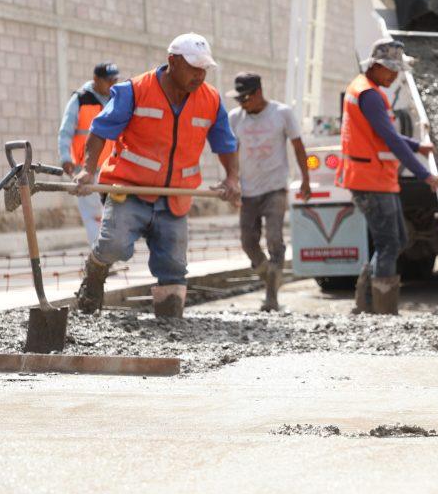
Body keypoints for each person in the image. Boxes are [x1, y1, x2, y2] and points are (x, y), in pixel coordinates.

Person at [72, 33, 240, 318]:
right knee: (112, 246)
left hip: (175, 195)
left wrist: (232, 178)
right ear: (172, 61)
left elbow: (225, 143)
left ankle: (170, 322)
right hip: (130, 189)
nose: (200, 75)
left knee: (173, 265)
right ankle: (94, 277)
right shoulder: (135, 91)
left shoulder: (210, 99)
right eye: (193, 68)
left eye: (204, 69)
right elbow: (101, 130)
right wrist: (88, 170)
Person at [335, 38, 438, 315]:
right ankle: (381, 310)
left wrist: (417, 145)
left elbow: (388, 135)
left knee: (396, 240)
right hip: (370, 180)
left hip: (375, 179)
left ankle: (366, 302)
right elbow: (390, 140)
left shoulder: (363, 89)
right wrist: (424, 174)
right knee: (389, 242)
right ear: (374, 66)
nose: (395, 76)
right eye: (391, 70)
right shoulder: (369, 95)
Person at [227, 72, 312, 311]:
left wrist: (306, 180)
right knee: (248, 242)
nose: (242, 104)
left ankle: (271, 297)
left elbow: (298, 147)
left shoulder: (281, 113)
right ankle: (270, 277)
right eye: (238, 99)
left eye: (245, 98)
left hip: (275, 188)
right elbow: (230, 152)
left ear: (258, 93)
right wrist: (231, 180)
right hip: (248, 190)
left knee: (275, 239)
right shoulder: (235, 118)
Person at [57, 62, 120, 245]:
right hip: (86, 169)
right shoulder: (80, 100)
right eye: (109, 81)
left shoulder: (115, 100)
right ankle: (99, 257)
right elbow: (65, 131)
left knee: (113, 214)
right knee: (94, 215)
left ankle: (108, 256)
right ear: (96, 80)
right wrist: (65, 158)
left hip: (111, 169)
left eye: (115, 80)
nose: (113, 85)